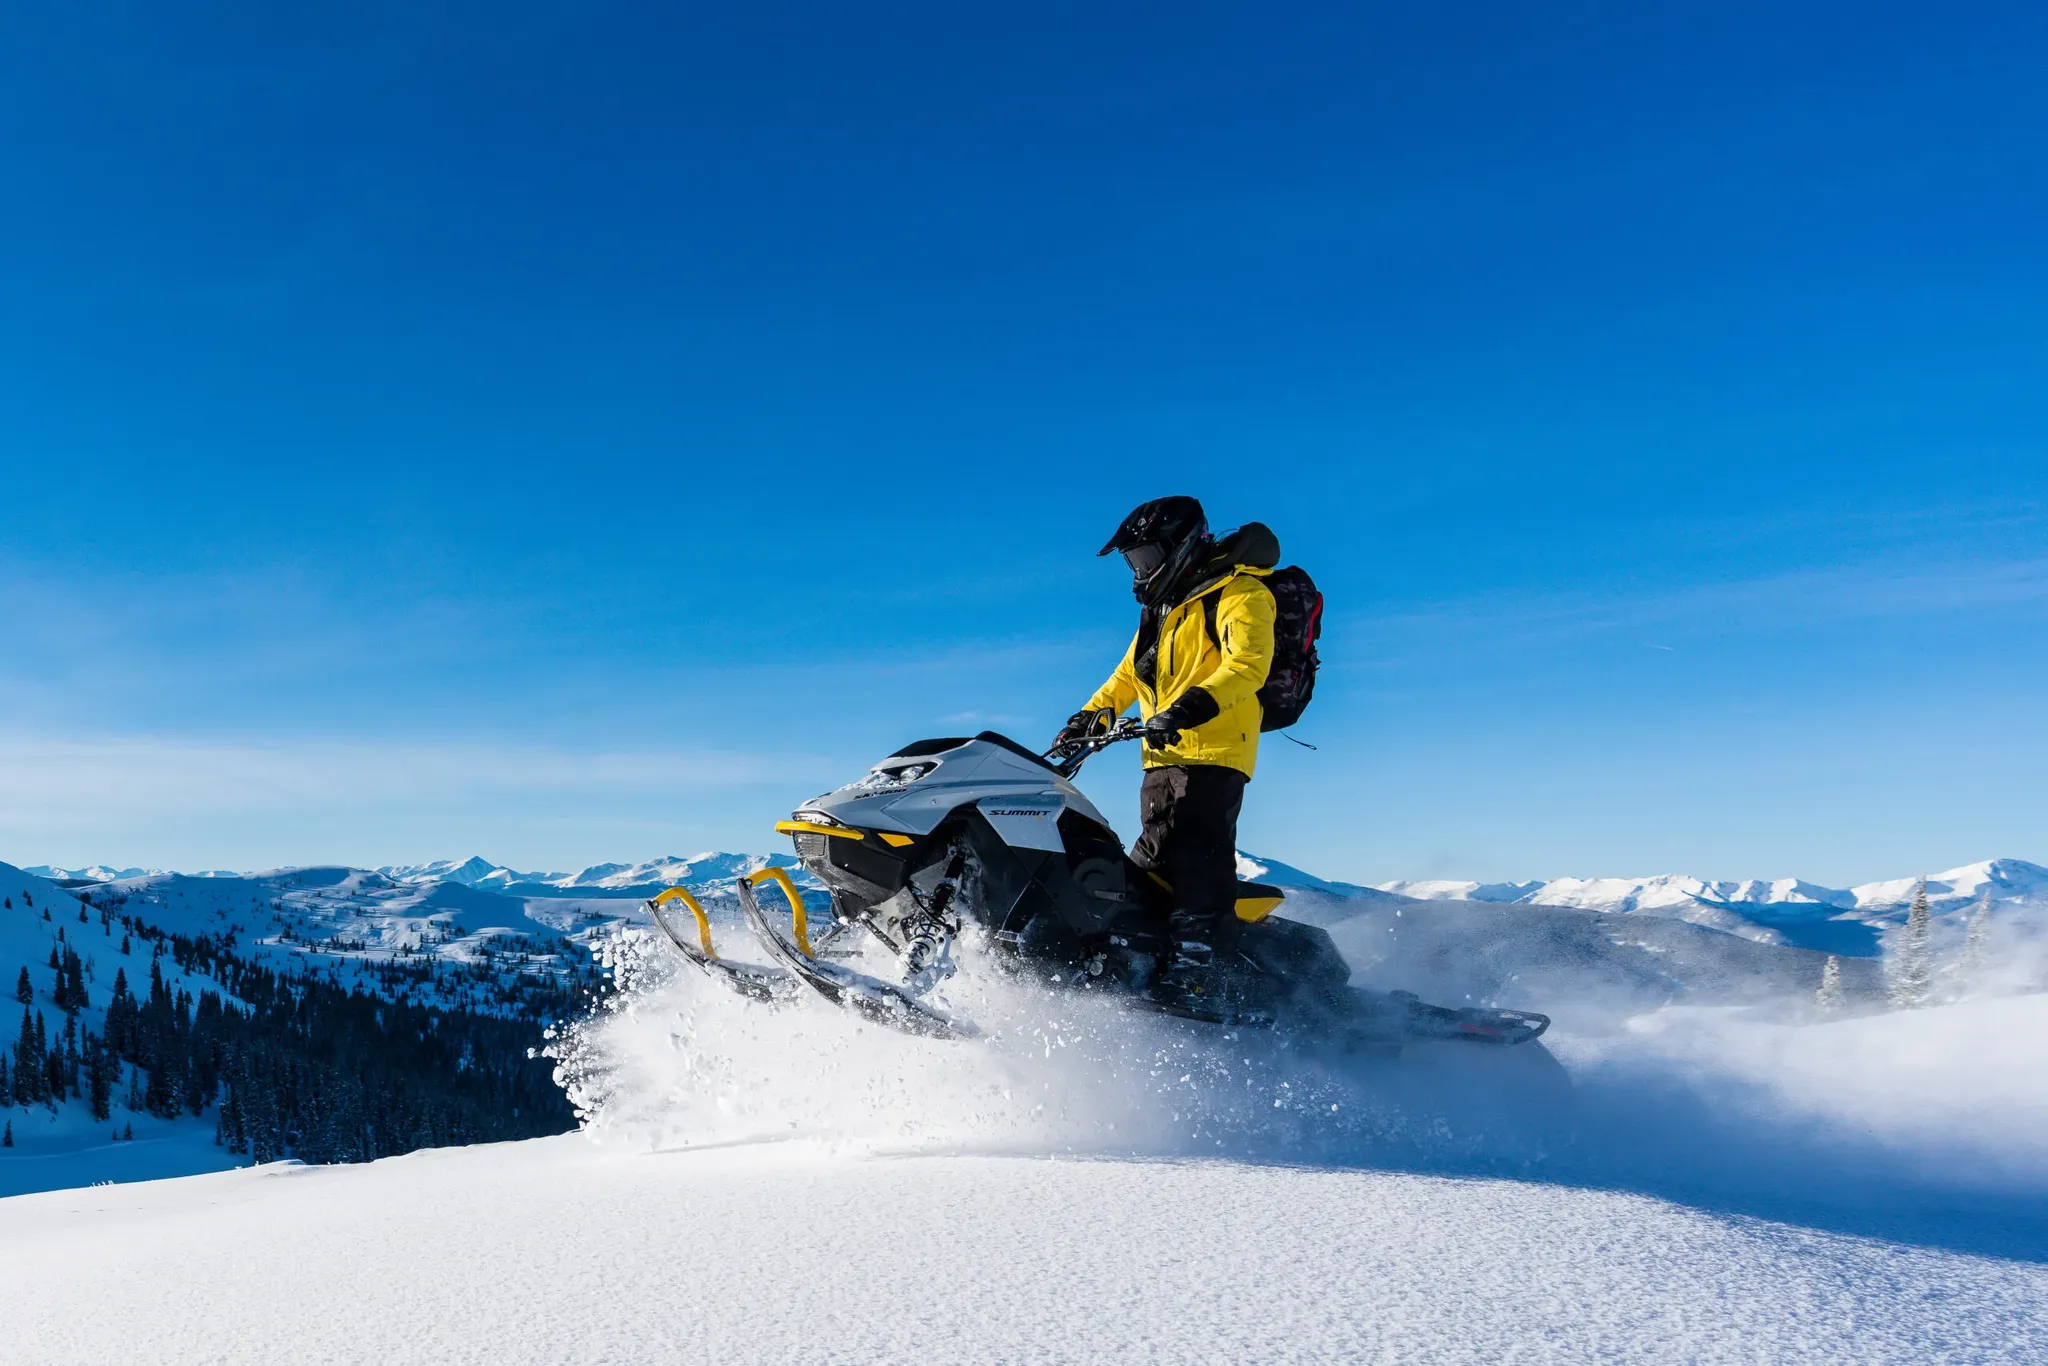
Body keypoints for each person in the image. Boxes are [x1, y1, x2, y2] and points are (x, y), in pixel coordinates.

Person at [1055, 495, 1278, 1013]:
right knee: (1148, 870)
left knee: (1198, 858)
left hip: (1215, 751)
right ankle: (1137, 960)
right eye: (1135, 562)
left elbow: (1249, 665)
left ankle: (1199, 974)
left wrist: (1192, 705)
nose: (1141, 570)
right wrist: (1089, 717)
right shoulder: (1162, 610)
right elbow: (1129, 675)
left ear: (1180, 546)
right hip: (1162, 758)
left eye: (1146, 557)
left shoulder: (1241, 592)